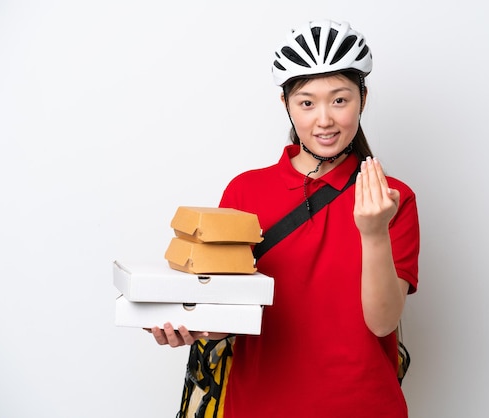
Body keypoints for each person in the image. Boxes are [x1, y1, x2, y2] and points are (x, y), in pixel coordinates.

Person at [151, 19, 420, 418]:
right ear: (286, 105)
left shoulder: (392, 196)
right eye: (307, 102)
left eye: (340, 100)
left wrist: (374, 231)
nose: (324, 119)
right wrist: (190, 326)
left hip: (362, 406)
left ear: (363, 98)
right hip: (259, 406)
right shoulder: (245, 191)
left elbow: (382, 324)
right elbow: (234, 310)